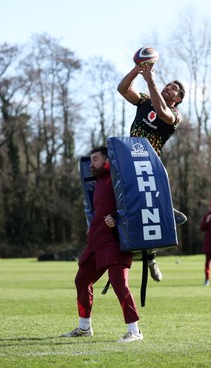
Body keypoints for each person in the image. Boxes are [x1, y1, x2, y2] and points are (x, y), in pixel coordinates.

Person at [60, 146, 143, 342]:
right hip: (97, 241)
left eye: (95, 159)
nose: (91, 163)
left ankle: (135, 331)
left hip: (115, 241)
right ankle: (84, 327)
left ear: (107, 160)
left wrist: (116, 218)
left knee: (119, 284)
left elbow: (133, 204)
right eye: (90, 160)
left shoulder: (117, 178)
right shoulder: (98, 182)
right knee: (81, 280)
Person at [117, 63, 187, 282]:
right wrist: (136, 70)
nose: (169, 87)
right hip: (128, 159)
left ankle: (151, 258)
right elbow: (122, 89)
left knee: (149, 212)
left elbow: (161, 111)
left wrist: (150, 81)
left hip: (149, 163)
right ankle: (165, 209)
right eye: (168, 84)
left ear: (178, 99)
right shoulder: (146, 99)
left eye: (174, 88)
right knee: (124, 207)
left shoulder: (175, 115)